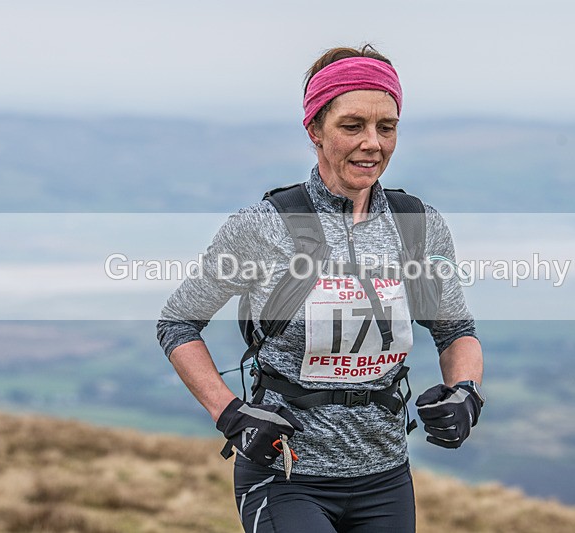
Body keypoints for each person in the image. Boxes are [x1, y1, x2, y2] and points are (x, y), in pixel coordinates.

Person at [157, 44, 484, 533]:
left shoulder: (418, 225)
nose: (372, 143)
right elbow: (178, 323)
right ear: (314, 129)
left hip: (385, 476)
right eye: (352, 126)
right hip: (284, 474)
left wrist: (467, 394)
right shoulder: (262, 227)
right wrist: (230, 414)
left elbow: (455, 330)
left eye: (386, 127)